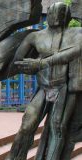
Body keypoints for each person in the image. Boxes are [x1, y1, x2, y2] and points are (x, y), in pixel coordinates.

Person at [7, 2, 82, 160]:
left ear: (67, 16)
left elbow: (75, 51)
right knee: (27, 125)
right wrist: (30, 67)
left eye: (62, 13)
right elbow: (18, 61)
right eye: (54, 12)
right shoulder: (35, 36)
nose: (57, 16)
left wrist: (41, 63)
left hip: (63, 88)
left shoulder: (77, 33)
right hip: (43, 87)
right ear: (49, 14)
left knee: (58, 127)